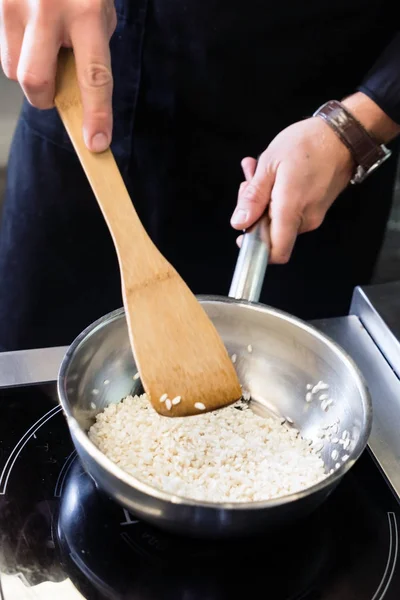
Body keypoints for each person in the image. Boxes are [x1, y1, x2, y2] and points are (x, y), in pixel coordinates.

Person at [0, 0, 399, 351]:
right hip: (89, 84)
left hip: (309, 144)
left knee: (286, 360)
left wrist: (355, 130)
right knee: (32, 355)